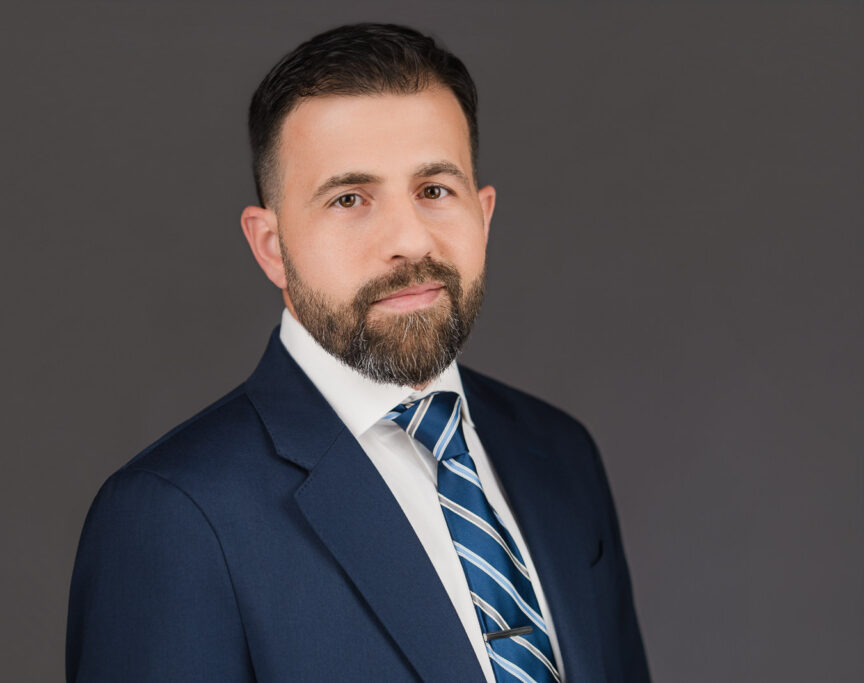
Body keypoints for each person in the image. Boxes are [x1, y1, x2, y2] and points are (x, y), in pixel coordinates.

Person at [66, 23, 650, 683]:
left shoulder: (560, 454)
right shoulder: (173, 516)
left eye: (435, 190)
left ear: (483, 214)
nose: (409, 240)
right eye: (350, 199)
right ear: (271, 246)